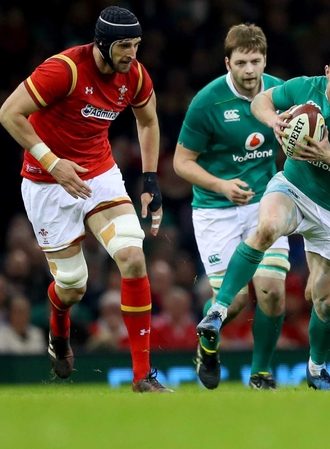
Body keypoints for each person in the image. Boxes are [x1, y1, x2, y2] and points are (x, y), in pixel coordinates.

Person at [196, 46, 330, 390]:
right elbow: (260, 101)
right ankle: (217, 313)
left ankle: (315, 370)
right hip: (292, 187)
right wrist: (275, 121)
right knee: (267, 228)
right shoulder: (304, 87)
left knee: (326, 301)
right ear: (327, 71)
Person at [0, 6, 170, 392]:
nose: (132, 54)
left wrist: (149, 179)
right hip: (46, 182)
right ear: (103, 44)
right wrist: (52, 162)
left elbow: (148, 120)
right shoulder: (65, 69)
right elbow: (9, 114)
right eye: (124, 46)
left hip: (98, 174)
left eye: (137, 45)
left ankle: (142, 376)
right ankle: (59, 330)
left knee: (131, 255)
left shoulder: (135, 76)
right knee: (74, 284)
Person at [174, 24, 288, 390]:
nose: (250, 70)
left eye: (256, 61)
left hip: (265, 204)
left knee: (271, 290)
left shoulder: (280, 93)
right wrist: (221, 185)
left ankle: (261, 373)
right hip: (215, 210)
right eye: (242, 62)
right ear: (228, 62)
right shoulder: (208, 102)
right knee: (235, 301)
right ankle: (208, 347)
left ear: (265, 59)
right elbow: (181, 162)